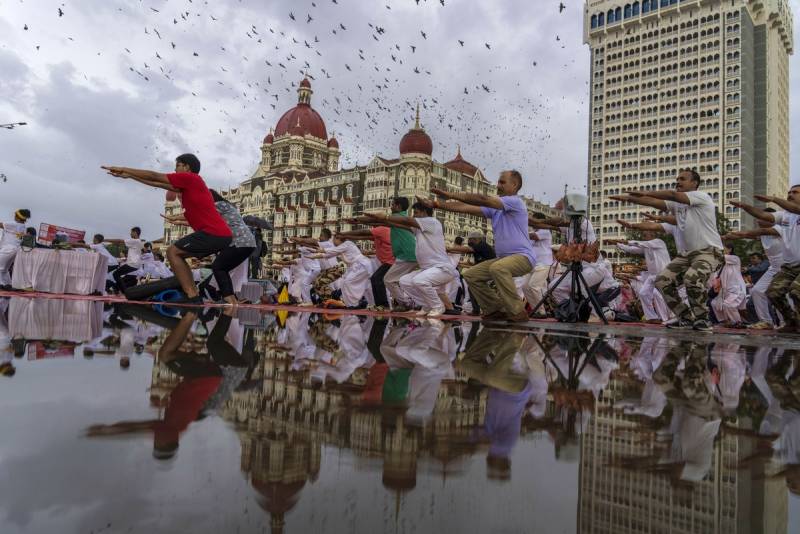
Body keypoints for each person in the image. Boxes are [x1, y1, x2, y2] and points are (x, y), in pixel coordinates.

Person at [102, 154, 233, 304]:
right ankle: (192, 293)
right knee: (178, 255)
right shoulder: (189, 186)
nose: (175, 170)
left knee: (172, 251)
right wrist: (130, 176)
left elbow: (154, 175)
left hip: (214, 234)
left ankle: (192, 295)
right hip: (219, 235)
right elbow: (156, 183)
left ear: (186, 167)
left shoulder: (191, 178)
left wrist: (124, 168)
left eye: (177, 166)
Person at [611, 169, 724, 332]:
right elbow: (652, 202)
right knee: (662, 281)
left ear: (695, 183)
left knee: (692, 279)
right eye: (677, 179)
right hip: (687, 255)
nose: (678, 181)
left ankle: (703, 319)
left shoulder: (702, 197)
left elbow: (671, 195)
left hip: (709, 251)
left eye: (683, 179)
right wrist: (628, 198)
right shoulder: (677, 205)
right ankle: (685, 318)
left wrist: (644, 192)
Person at [427, 170, 537, 322]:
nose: (498, 185)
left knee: (497, 268)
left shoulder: (515, 202)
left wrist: (450, 194)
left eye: (502, 182)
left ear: (515, 185)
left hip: (524, 257)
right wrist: (436, 204)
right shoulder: (496, 210)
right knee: (471, 275)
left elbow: (482, 199)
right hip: (503, 259)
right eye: (498, 182)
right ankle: (495, 309)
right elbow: (465, 208)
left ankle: (518, 311)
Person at [363, 201, 457, 317]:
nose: (414, 215)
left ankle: (437, 306)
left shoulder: (432, 222)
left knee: (419, 281)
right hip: (428, 270)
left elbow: (407, 221)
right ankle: (427, 305)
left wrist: (386, 216)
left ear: (424, 212)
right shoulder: (419, 228)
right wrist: (374, 219)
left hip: (442, 269)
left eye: (416, 213)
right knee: (405, 281)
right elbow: (397, 225)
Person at [730, 185, 800, 332]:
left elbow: (763, 229)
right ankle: (791, 322)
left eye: (795, 192)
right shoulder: (785, 216)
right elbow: (763, 216)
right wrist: (745, 206)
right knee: (773, 292)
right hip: (789, 266)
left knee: (795, 291)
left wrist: (774, 198)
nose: (790, 194)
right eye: (789, 192)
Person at [721, 210, 784, 329]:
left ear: (771, 218)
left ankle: (786, 322)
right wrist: (724, 237)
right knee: (757, 291)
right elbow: (747, 235)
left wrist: (738, 234)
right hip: (774, 268)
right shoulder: (763, 234)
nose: (757, 220)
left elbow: (759, 231)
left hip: (787, 267)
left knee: (782, 295)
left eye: (760, 217)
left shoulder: (779, 228)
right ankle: (767, 322)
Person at [606, 230, 672, 323]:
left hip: (663, 273)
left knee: (664, 296)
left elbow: (638, 243)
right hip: (653, 275)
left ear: (652, 234)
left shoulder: (659, 242)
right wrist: (618, 244)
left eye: (645, 235)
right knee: (643, 293)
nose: (643, 237)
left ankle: (668, 317)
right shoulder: (646, 247)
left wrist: (622, 241)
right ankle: (652, 317)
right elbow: (631, 249)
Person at [373, 197, 419, 312]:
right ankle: (410, 302)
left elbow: (378, 221)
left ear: (398, 206)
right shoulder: (400, 218)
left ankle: (406, 303)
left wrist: (360, 219)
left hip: (407, 256)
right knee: (402, 281)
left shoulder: (397, 217)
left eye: (392, 205)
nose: (391, 207)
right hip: (408, 256)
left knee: (389, 280)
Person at [336, 224, 395, 310]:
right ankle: (379, 305)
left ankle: (385, 305)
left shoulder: (382, 230)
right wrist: (346, 236)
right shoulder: (378, 236)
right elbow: (364, 237)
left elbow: (363, 232)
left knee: (378, 279)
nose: (372, 228)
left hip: (390, 261)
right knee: (375, 280)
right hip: (384, 262)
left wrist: (344, 234)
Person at [310, 234, 374, 308]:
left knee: (348, 282)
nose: (333, 242)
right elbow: (328, 255)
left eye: (334, 240)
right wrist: (313, 256)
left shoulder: (347, 244)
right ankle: (356, 304)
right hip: (355, 268)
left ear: (338, 239)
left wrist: (319, 250)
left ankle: (354, 304)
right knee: (359, 285)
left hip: (362, 266)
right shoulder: (341, 248)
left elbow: (332, 250)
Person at [709, 250, 747, 327]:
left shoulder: (735, 259)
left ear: (730, 249)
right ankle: (725, 322)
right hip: (724, 291)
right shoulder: (720, 265)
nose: (720, 250)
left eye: (723, 249)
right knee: (714, 303)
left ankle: (738, 322)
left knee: (729, 304)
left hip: (736, 289)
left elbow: (720, 256)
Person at [522, 225, 554, 316]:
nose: (531, 224)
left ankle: (542, 311)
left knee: (534, 286)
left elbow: (533, 236)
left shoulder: (545, 230)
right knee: (525, 286)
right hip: (532, 264)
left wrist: (519, 232)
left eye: (533, 221)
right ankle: (535, 309)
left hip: (543, 264)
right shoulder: (532, 232)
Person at [105, 226, 145, 292]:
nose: (130, 234)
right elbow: (120, 243)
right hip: (135, 264)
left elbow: (120, 241)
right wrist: (114, 243)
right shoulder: (138, 242)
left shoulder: (135, 241)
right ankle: (120, 290)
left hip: (132, 264)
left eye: (131, 232)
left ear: (135, 233)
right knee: (117, 274)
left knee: (116, 274)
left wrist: (105, 240)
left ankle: (124, 291)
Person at [0, 209, 31, 290]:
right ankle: (8, 284)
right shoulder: (23, 227)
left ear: (18, 217)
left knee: (2, 268)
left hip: (8, 249)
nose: (14, 217)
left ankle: (2, 284)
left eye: (15, 215)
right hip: (15, 250)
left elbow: (0, 225)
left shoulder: (14, 224)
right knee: (4, 269)